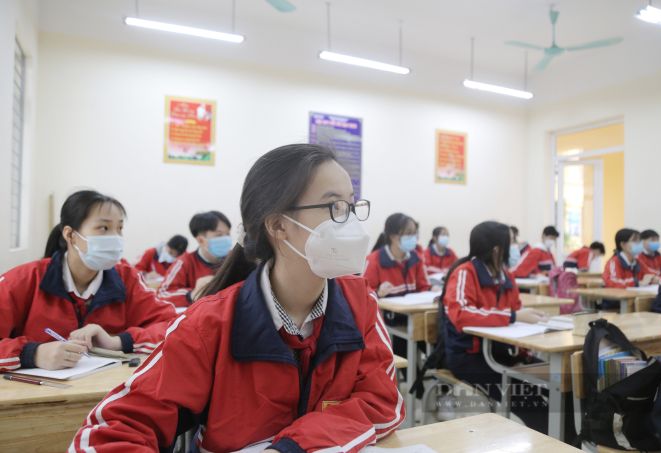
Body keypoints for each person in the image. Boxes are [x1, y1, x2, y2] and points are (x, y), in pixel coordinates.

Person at [69, 144, 404, 452]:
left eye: (352, 206)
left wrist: (293, 447)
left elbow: (382, 401)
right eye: (334, 207)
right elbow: (109, 434)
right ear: (278, 225)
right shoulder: (209, 324)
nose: (350, 223)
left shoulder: (360, 302)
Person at [0, 190, 177, 371]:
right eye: (103, 228)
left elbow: (175, 327)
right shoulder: (23, 279)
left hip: (106, 386)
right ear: (70, 235)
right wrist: (32, 354)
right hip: (34, 388)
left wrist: (118, 341)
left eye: (119, 228)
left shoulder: (127, 279)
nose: (115, 238)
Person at [442, 221, 549, 432]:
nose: (516, 247)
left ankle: (571, 442)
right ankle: (554, 443)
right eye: (512, 242)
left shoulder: (506, 276)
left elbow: (516, 311)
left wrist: (527, 323)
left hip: (504, 354)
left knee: (562, 385)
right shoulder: (465, 272)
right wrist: (513, 316)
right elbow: (461, 314)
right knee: (531, 401)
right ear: (497, 249)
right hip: (469, 357)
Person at [158, 211, 232, 307]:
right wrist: (192, 294)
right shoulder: (184, 262)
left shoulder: (234, 260)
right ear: (201, 240)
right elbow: (161, 294)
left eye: (228, 234)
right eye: (219, 235)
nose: (226, 239)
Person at [364, 213, 430, 298]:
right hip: (384, 306)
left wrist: (432, 289)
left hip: (414, 306)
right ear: (393, 237)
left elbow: (424, 287)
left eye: (415, 233)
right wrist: (378, 293)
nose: (414, 237)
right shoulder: (373, 261)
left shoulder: (416, 258)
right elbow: (364, 295)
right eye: (409, 233)